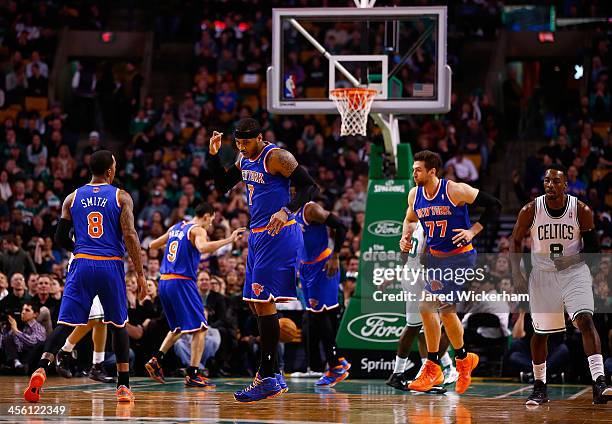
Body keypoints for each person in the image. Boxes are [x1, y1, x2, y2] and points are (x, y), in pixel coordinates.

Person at [24, 150, 147, 403]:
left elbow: (59, 237)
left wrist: (81, 250)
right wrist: (141, 275)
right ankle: (123, 386)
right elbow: (131, 235)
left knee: (66, 323)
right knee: (118, 323)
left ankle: (41, 369)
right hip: (110, 264)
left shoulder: (71, 198)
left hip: (81, 263)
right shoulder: (121, 197)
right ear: (111, 171)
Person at [208, 118, 317, 402]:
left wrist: (287, 210)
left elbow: (308, 187)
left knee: (264, 303)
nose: (242, 147)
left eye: (246, 142)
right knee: (257, 305)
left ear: (259, 137)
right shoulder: (244, 158)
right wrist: (214, 155)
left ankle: (267, 376)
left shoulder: (277, 157)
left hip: (279, 233)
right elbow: (222, 185)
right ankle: (274, 375)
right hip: (258, 235)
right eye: (238, 143)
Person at [510, 164, 612, 405]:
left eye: (556, 182)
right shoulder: (531, 210)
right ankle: (539, 386)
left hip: (575, 272)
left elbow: (594, 251)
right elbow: (515, 241)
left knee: (586, 320)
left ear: (566, 185)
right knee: (541, 333)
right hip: (542, 276)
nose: (550, 186)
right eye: (546, 181)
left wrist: (572, 259)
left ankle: (599, 382)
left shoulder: (581, 210)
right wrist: (517, 274)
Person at [401, 150, 501, 394]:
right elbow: (410, 219)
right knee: (445, 312)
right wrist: (405, 236)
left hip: (460, 257)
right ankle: (464, 359)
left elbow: (494, 206)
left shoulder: (455, 190)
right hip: (435, 258)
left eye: (418, 169)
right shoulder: (414, 194)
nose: (414, 173)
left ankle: (433, 366)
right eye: (413, 169)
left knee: (427, 306)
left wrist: (472, 231)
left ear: (432, 171)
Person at [144, 203, 244, 388]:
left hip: (164, 281)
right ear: (206, 216)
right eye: (212, 220)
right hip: (182, 280)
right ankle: (193, 374)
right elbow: (203, 249)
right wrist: (229, 239)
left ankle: (156, 360)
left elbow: (152, 245)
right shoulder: (197, 230)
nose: (211, 224)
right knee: (201, 328)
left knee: (178, 327)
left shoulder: (176, 227)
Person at [386, 222, 458, 391]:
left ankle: (415, 373)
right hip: (422, 277)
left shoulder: (413, 225)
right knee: (439, 325)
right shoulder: (430, 222)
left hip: (411, 275)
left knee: (420, 328)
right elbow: (426, 256)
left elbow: (405, 257)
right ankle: (434, 371)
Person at [295, 198, 350, 387]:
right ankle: (339, 359)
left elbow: (341, 226)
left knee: (320, 318)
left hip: (323, 265)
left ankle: (335, 367)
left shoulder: (310, 209)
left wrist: (335, 256)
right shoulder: (288, 211)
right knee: (316, 317)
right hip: (306, 267)